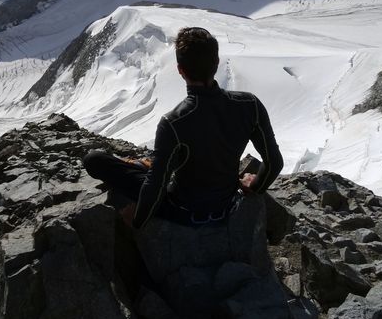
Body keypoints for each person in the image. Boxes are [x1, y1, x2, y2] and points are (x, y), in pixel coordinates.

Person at [83, 26, 283, 230]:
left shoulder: (174, 122)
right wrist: (255, 186)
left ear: (180, 70)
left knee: (94, 159)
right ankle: (145, 165)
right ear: (216, 62)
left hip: (183, 211)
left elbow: (155, 188)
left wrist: (137, 222)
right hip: (226, 206)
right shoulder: (249, 104)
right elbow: (275, 163)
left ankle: (144, 166)